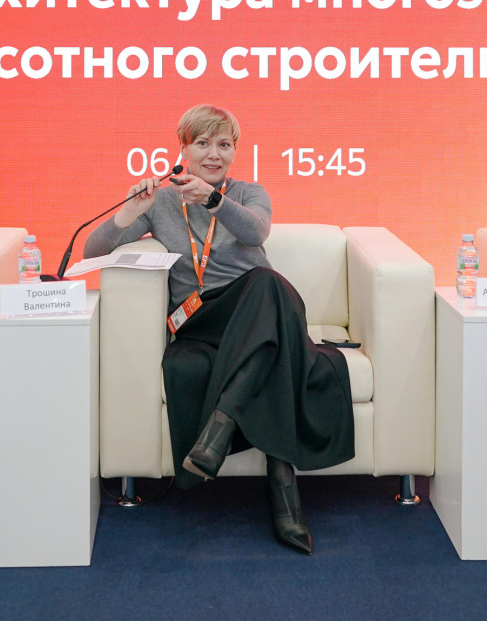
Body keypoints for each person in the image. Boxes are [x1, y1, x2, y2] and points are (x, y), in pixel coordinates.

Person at [83, 104, 352, 554]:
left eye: (224, 145)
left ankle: (224, 437)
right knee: (273, 302)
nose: (214, 154)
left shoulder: (247, 193)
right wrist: (131, 211)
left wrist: (213, 200)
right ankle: (281, 486)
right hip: (200, 318)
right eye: (203, 143)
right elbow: (93, 252)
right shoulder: (163, 201)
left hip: (255, 311)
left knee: (267, 284)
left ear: (234, 151)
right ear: (183, 150)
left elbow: (257, 233)